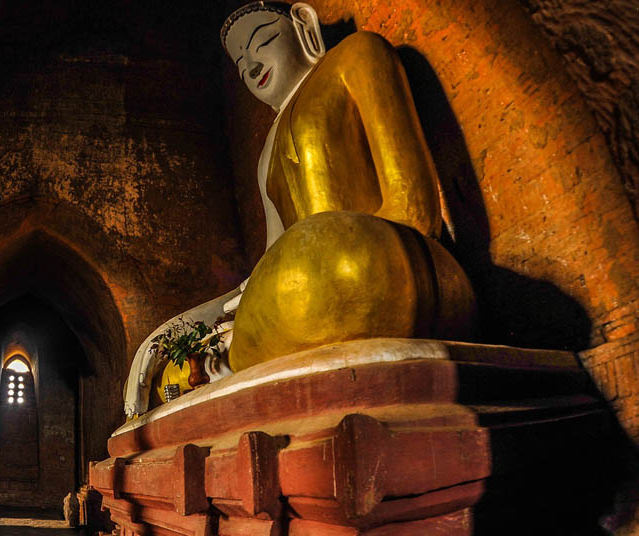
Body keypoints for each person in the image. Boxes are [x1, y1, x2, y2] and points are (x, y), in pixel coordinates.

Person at [122, 2, 476, 416]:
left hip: (377, 264)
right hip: (298, 285)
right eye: (241, 66)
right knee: (180, 363)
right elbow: (266, 269)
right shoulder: (264, 155)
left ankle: (232, 363)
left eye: (263, 43)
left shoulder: (356, 56)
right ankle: (225, 362)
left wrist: (320, 255)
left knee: (312, 266)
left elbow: (415, 209)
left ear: (304, 26)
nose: (253, 69)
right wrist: (163, 336)